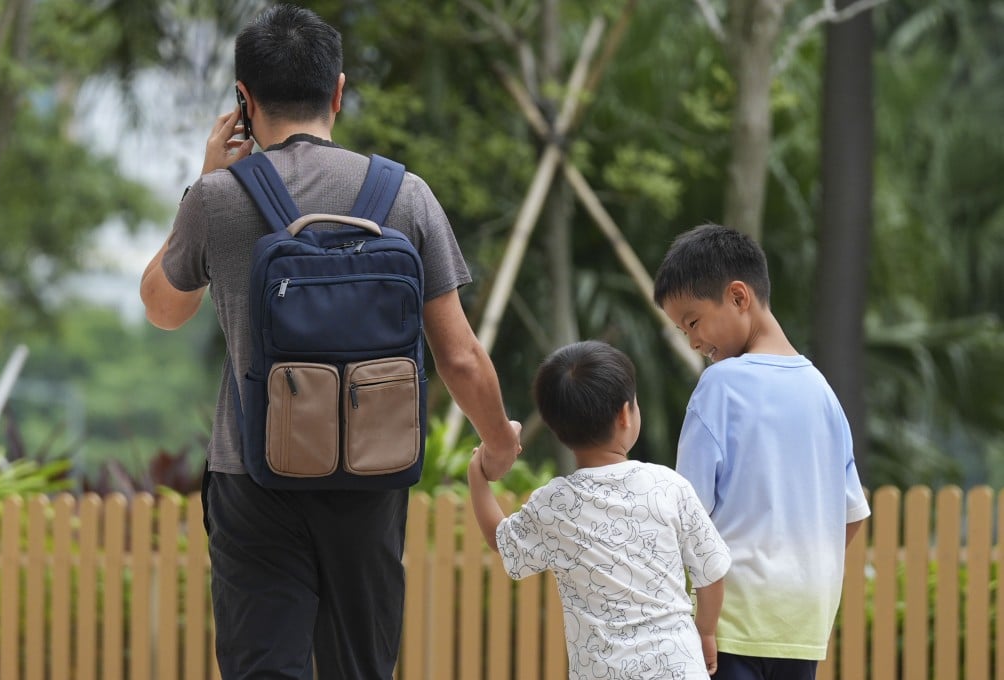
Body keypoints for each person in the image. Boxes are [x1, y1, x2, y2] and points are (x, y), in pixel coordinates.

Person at [139, 5, 522, 679]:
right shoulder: (406, 195)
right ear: (338, 92)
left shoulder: (218, 199)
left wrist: (201, 180)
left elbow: (163, 309)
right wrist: (497, 441)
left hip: (253, 474)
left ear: (243, 100)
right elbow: (458, 356)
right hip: (370, 474)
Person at [652, 223, 871, 680]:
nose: (691, 341)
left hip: (728, 622)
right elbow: (852, 516)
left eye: (692, 322)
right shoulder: (823, 393)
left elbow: (685, 513)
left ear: (737, 296)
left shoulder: (719, 386)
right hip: (803, 623)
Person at [468, 340, 731, 679]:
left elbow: (500, 538)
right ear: (625, 414)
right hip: (677, 667)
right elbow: (711, 571)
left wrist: (478, 474)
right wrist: (706, 631)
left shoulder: (556, 504)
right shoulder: (668, 486)